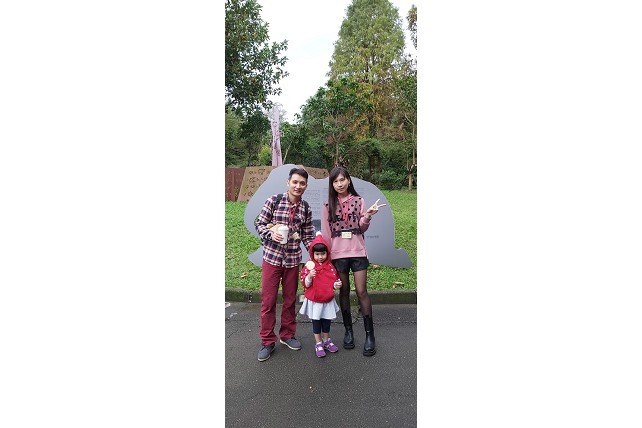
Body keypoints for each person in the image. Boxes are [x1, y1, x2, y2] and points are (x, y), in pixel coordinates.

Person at [321, 165, 386, 356]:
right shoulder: (328, 205)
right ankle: (348, 331)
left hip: (357, 252)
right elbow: (326, 233)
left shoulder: (359, 201)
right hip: (337, 255)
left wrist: (367, 216)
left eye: (342, 180)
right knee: (344, 291)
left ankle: (369, 335)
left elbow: (362, 227)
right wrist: (326, 258)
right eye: (335, 181)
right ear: (332, 184)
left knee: (361, 291)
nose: (339, 184)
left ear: (349, 181)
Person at [254, 167, 315, 362]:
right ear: (288, 182)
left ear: (306, 186)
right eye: (295, 182)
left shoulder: (305, 208)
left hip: (292, 260)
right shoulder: (274, 201)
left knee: (290, 300)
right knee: (268, 301)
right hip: (272, 259)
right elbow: (259, 224)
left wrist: (316, 254)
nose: (298, 186)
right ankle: (267, 341)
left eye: (302, 183)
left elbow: (308, 235)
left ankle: (287, 335)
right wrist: (270, 234)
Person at [299, 234, 343, 358]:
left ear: (327, 253)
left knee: (326, 321)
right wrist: (309, 277)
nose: (320, 257)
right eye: (317, 254)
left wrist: (336, 284)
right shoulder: (308, 267)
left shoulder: (330, 267)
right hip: (315, 301)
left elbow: (332, 281)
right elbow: (305, 284)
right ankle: (318, 343)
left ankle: (326, 340)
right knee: (316, 322)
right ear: (312, 254)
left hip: (327, 299)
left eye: (322, 254)